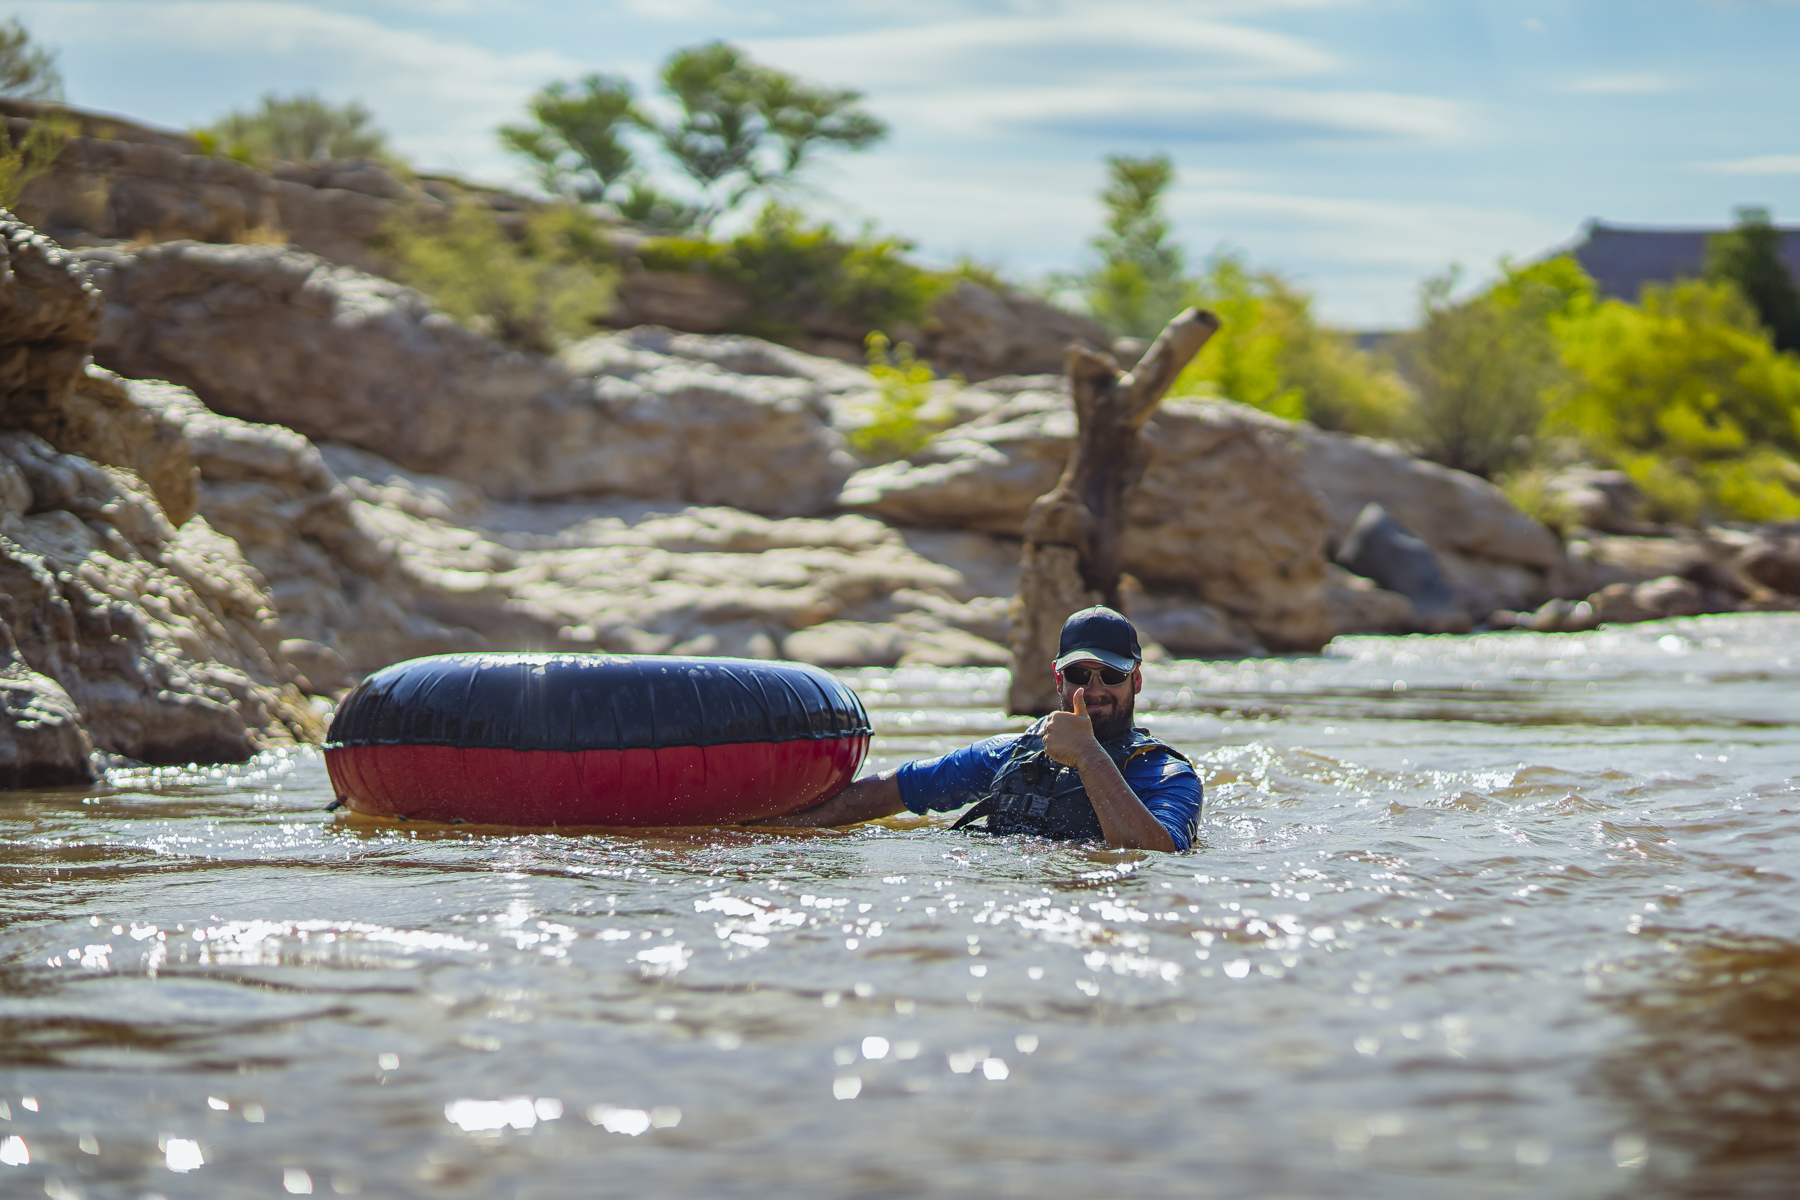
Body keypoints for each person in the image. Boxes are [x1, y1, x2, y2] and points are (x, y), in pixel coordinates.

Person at [759, 606, 1200, 852]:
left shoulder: (1167, 776)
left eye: (1111, 675)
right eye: (1081, 676)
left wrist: (1087, 755)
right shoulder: (1008, 755)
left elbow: (1158, 857)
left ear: (1137, 680)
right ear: (1058, 679)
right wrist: (767, 825)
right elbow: (892, 791)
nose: (1097, 689)